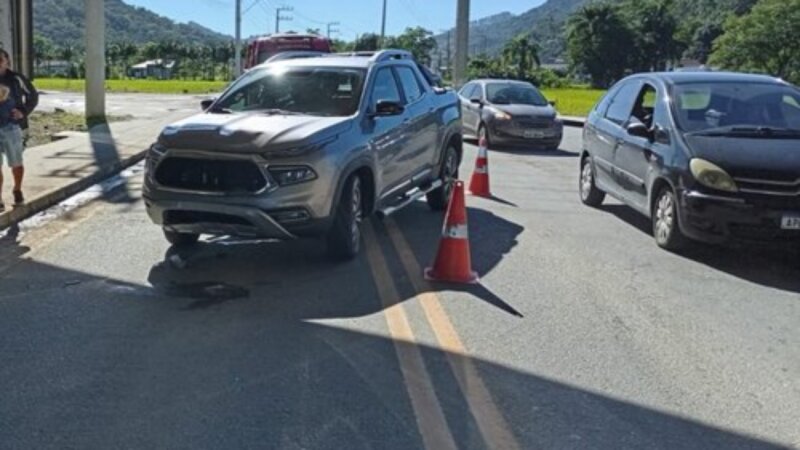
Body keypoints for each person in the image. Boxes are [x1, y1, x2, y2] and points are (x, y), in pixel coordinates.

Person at [0, 48, 38, 211]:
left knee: (16, 163)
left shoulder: (16, 78)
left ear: (7, 61)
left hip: (12, 127)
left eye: (0, 59)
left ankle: (17, 190)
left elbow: (33, 96)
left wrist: (23, 111)